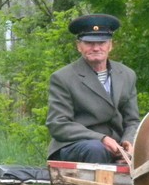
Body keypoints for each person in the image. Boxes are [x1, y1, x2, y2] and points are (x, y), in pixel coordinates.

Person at [46, 14, 140, 163]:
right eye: (89, 43)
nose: (96, 48)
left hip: (117, 145)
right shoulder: (63, 78)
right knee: (96, 148)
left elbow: (132, 121)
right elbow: (58, 124)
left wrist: (129, 142)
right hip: (77, 145)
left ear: (110, 45)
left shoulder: (127, 74)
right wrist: (101, 139)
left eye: (101, 42)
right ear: (79, 46)